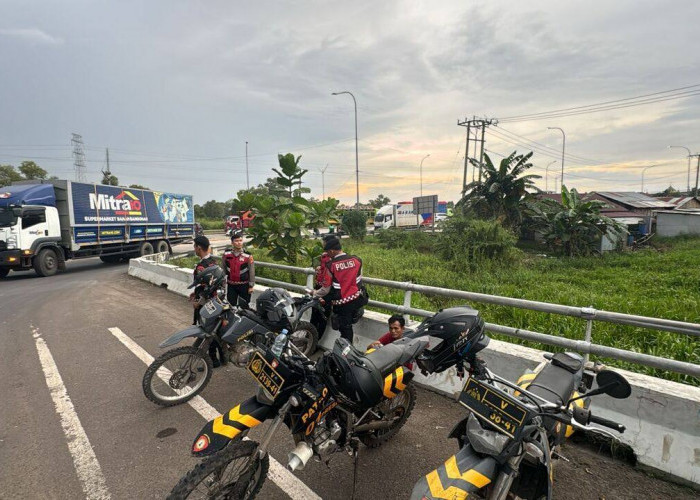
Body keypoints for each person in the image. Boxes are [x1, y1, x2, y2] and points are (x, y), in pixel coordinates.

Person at [313, 237, 366, 344]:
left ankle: (346, 353)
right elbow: (359, 280)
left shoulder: (331, 265)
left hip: (341, 303)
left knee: (344, 329)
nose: (328, 254)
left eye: (328, 252)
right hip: (356, 299)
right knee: (348, 327)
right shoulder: (357, 260)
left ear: (332, 251)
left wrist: (314, 293)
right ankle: (347, 351)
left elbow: (325, 289)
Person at [190, 235, 226, 367]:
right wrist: (195, 293)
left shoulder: (201, 267)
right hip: (216, 301)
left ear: (199, 248)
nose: (194, 249)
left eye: (194, 246)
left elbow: (207, 288)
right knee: (216, 331)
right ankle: (222, 357)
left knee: (207, 332)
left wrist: (198, 301)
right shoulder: (213, 263)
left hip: (207, 304)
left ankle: (212, 360)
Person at [310, 235, 335, 337]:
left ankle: (312, 341)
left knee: (319, 317)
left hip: (325, 290)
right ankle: (312, 341)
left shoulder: (332, 259)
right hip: (322, 289)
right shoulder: (325, 257)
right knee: (319, 316)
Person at [222, 230, 255, 308]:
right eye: (236, 241)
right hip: (231, 285)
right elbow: (223, 268)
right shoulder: (226, 254)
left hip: (244, 285)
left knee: (244, 306)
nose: (239, 242)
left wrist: (251, 286)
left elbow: (252, 271)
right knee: (231, 305)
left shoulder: (248, 256)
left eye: (240, 240)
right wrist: (222, 283)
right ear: (232, 243)